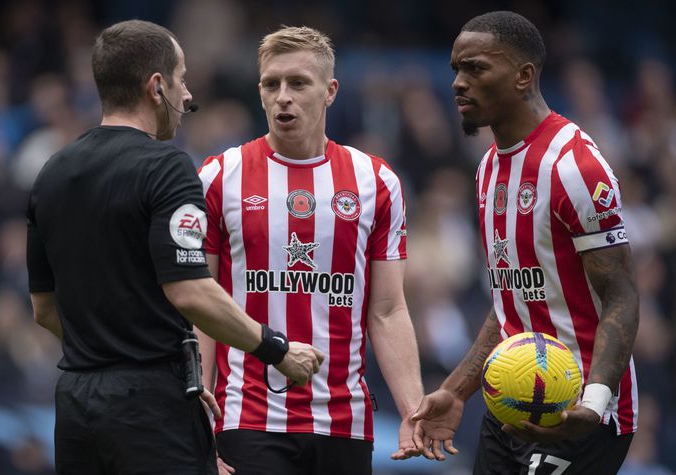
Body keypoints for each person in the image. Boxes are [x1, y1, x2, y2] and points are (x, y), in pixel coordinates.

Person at [26, 20, 323, 475]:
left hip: (75, 404)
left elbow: (44, 310)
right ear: (157, 86)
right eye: (182, 80)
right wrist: (277, 349)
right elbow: (190, 292)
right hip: (148, 410)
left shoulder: (51, 172)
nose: (188, 97)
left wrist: (104, 353)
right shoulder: (167, 167)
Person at [411, 11, 639, 475]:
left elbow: (621, 294)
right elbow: (511, 300)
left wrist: (593, 405)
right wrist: (457, 390)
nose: (458, 82)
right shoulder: (488, 169)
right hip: (509, 403)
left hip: (578, 409)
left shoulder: (574, 167)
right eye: (455, 68)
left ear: (523, 76)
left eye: (475, 68)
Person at [197, 26, 424, 475]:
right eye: (271, 83)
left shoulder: (375, 181)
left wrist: (413, 411)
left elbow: (388, 309)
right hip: (246, 418)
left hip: (344, 422)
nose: (283, 96)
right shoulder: (220, 177)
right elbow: (200, 310)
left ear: (330, 91)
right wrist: (197, 425)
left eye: (298, 83)